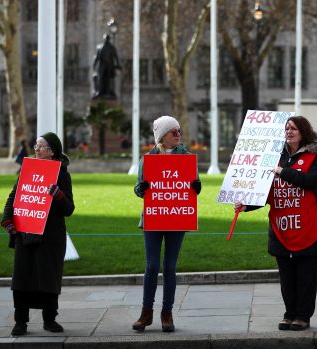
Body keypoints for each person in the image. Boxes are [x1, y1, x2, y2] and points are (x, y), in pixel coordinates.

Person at [235, 116, 317, 331]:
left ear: (303, 131)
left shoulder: (315, 156)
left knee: (305, 275)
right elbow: (266, 192)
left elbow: (312, 181)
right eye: (286, 128)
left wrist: (282, 172)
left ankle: (303, 316)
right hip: (281, 226)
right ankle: (289, 314)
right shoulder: (274, 156)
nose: (288, 131)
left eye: (293, 128)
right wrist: (247, 205)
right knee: (286, 275)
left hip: (307, 225)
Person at [132, 115, 202, 333]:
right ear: (162, 135)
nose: (178, 134)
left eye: (179, 130)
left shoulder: (188, 158)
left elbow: (193, 187)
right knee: (152, 266)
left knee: (170, 267)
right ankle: (146, 312)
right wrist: (141, 189)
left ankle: (167, 313)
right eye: (174, 131)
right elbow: (137, 188)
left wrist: (195, 187)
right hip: (154, 217)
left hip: (177, 217)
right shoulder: (148, 159)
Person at [1, 132, 75, 336]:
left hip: (50, 237)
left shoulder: (62, 174)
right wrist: (7, 220)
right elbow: (13, 197)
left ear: (51, 151)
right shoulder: (27, 169)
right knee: (22, 279)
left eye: (40, 146)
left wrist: (58, 195)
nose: (36, 149)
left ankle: (49, 320)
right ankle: (20, 322)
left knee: (48, 278)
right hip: (25, 233)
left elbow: (69, 209)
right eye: (35, 145)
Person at [92, 33, 121, 99]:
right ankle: (100, 91)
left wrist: (118, 65)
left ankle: (108, 92)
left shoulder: (112, 47)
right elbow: (97, 57)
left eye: (107, 39)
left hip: (109, 65)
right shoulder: (99, 47)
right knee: (100, 78)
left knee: (108, 79)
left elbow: (115, 57)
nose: (106, 40)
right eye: (105, 39)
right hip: (102, 65)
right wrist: (94, 65)